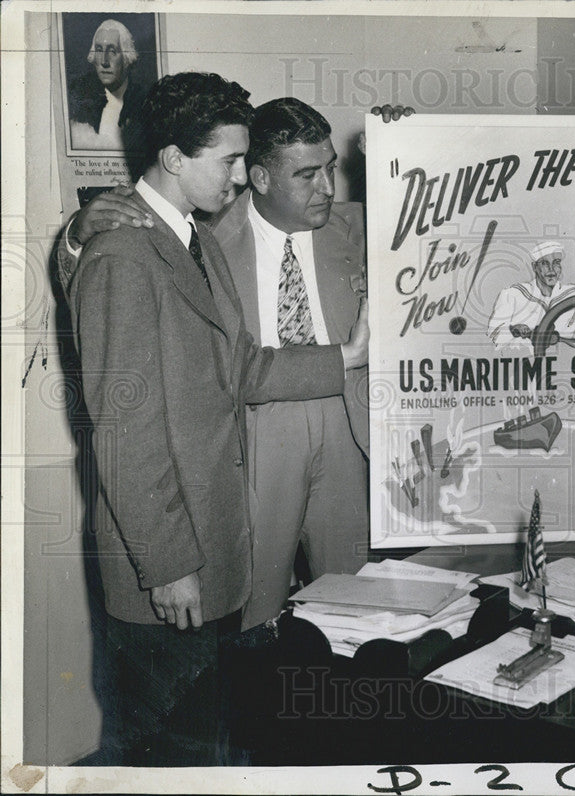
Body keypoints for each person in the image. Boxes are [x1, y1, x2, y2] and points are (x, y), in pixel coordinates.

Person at [61, 71, 369, 763]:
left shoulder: (189, 243)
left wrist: (346, 356)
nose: (240, 177)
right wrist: (167, 566)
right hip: (171, 567)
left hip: (212, 552)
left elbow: (244, 369)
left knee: (214, 734)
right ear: (174, 158)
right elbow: (125, 433)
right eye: (229, 161)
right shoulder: (122, 257)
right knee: (170, 750)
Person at [211, 97, 370, 630]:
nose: (327, 187)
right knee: (254, 609)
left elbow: (443, 209)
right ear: (258, 177)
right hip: (258, 427)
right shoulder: (206, 244)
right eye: (307, 175)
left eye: (331, 168)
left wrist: (405, 142)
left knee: (354, 604)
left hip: (347, 419)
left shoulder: (361, 227)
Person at [486, 241, 575, 352]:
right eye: (544, 263)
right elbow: (493, 337)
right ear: (534, 267)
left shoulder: (574, 294)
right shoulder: (513, 294)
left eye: (556, 262)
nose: (551, 269)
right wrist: (512, 329)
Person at [68, 18, 145, 150]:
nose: (104, 61)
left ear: (126, 58)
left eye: (112, 51)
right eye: (99, 50)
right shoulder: (81, 104)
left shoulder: (143, 105)